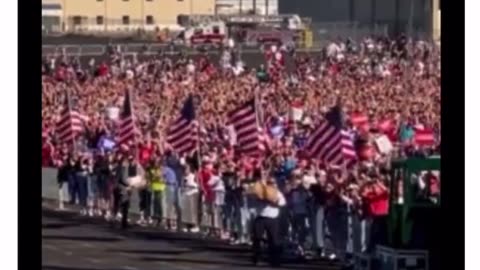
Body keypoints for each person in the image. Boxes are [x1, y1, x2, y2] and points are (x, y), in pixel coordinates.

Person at [251, 177, 286, 267]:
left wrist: (272, 201)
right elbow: (254, 198)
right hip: (260, 217)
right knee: (257, 238)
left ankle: (274, 260)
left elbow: (281, 203)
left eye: (273, 183)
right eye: (270, 183)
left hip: (272, 218)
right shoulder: (261, 192)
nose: (272, 184)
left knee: (273, 240)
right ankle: (256, 257)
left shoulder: (278, 193)